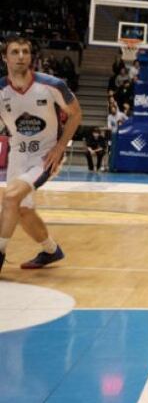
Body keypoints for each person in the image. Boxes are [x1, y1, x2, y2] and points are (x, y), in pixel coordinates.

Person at [0, 37, 82, 272]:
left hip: (46, 156)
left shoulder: (52, 84)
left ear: (31, 57)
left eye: (25, 51)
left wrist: (59, 148)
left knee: (10, 198)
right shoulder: (1, 90)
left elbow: (76, 115)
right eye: (15, 52)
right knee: (22, 209)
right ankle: (50, 250)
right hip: (17, 154)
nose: (21, 56)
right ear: (5, 58)